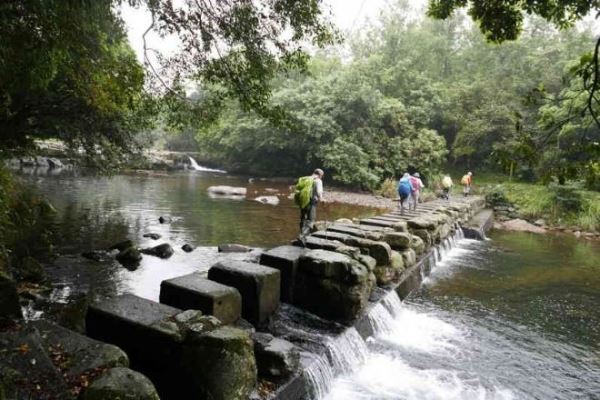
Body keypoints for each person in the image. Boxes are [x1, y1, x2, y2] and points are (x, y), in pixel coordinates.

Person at [295, 168, 324, 238]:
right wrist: (322, 199)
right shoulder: (318, 180)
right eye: (322, 176)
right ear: (320, 175)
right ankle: (303, 237)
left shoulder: (306, 179)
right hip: (311, 202)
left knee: (302, 218)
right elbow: (319, 191)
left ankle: (301, 233)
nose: (322, 177)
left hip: (303, 201)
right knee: (311, 220)